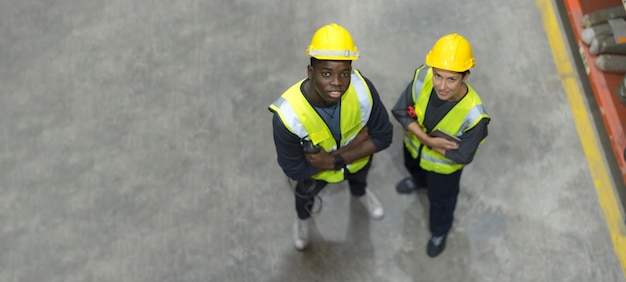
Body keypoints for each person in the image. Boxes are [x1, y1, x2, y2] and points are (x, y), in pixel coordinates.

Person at [269, 23, 393, 251]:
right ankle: (303, 220)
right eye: (326, 73)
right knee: (304, 198)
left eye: (345, 73)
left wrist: (332, 160)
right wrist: (357, 146)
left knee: (359, 182)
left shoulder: (363, 90)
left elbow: (384, 136)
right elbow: (294, 170)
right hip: (318, 175)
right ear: (310, 71)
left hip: (357, 165)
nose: (337, 82)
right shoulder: (288, 115)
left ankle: (361, 194)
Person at [391, 33, 490, 257]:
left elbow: (464, 156)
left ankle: (439, 231)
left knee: (441, 202)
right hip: (415, 150)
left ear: (465, 75)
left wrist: (420, 135)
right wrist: (427, 140)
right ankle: (418, 181)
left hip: (443, 171)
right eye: (438, 76)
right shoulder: (422, 77)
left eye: (451, 79)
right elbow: (400, 110)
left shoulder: (475, 116)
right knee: (414, 170)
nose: (442, 86)